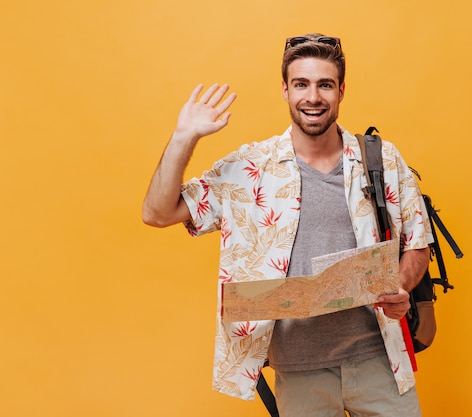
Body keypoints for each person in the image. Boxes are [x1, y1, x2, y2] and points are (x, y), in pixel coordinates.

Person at [142, 33, 433, 416]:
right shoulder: (249, 168)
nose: (313, 96)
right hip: (298, 375)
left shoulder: (380, 158)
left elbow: (417, 242)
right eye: (301, 84)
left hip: (379, 361)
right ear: (285, 90)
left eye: (324, 85)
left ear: (341, 91)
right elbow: (157, 213)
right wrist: (184, 137)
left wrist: (400, 284)